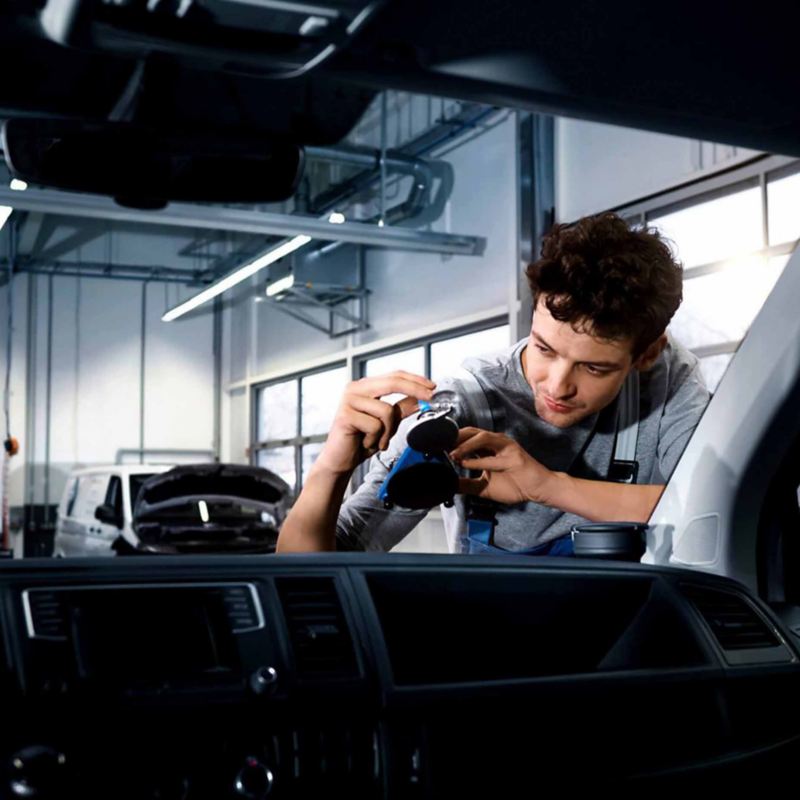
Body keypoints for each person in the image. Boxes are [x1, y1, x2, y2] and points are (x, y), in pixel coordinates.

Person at [277, 212, 710, 554]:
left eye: (594, 369)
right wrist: (330, 469)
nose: (557, 386)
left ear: (647, 353)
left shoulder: (670, 379)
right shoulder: (462, 406)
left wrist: (547, 486)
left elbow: (713, 509)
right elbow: (313, 567)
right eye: (544, 349)